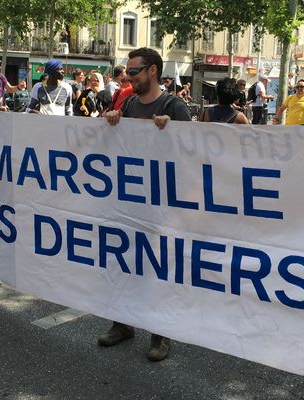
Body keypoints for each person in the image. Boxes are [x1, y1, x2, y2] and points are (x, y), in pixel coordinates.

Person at [103, 47, 190, 362]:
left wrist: (174, 132)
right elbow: (111, 147)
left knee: (157, 269)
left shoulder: (174, 106)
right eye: (127, 71)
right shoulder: (126, 105)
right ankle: (121, 324)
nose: (129, 77)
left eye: (135, 71)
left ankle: (160, 334)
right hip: (128, 201)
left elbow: (193, 152)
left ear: (153, 70)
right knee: (121, 264)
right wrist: (110, 121)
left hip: (161, 205)